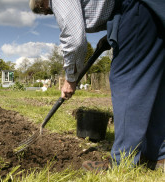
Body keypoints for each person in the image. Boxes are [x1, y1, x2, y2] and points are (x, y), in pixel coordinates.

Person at [29, 0, 165, 171]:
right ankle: (158, 155)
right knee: (152, 82)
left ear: (42, 5)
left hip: (136, 9)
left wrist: (71, 79)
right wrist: (112, 31)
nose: (49, 13)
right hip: (148, 10)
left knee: (126, 80)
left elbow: (74, 39)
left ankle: (123, 160)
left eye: (45, 11)